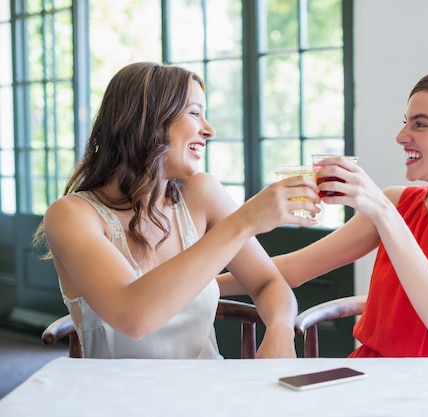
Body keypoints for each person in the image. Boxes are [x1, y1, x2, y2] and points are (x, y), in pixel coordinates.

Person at [219, 69, 428, 357]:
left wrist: (382, 210)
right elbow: (294, 269)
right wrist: (197, 285)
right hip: (369, 375)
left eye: (420, 124)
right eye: (405, 122)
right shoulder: (399, 203)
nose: (401, 137)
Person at [33, 62, 321, 359]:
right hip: (117, 401)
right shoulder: (71, 215)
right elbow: (133, 316)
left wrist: (279, 331)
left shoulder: (201, 193)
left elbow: (268, 282)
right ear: (146, 119)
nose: (209, 130)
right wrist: (244, 221)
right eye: (195, 113)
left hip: (207, 396)